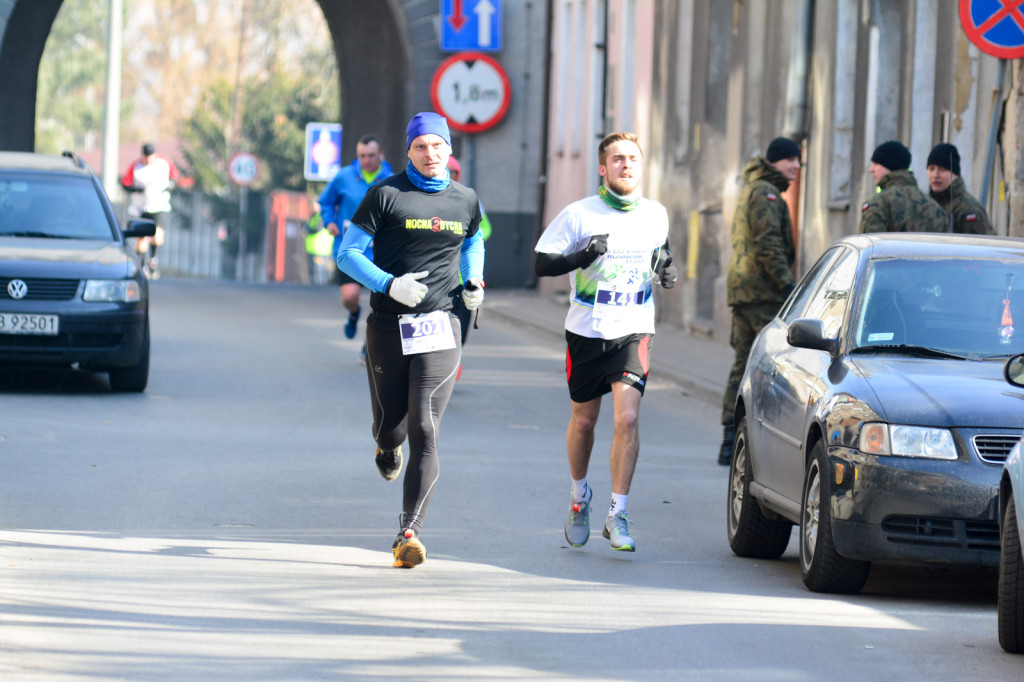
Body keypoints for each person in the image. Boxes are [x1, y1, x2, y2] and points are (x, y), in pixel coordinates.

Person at [337, 112, 484, 569]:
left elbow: (474, 241)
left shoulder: (466, 199)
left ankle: (408, 533)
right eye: (421, 147)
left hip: (442, 323)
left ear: (449, 148)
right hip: (387, 325)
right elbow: (347, 254)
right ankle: (385, 444)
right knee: (392, 426)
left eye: (438, 146)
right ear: (408, 152)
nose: (430, 154)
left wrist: (473, 279)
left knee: (425, 425)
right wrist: (388, 284)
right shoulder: (385, 195)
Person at [534, 132, 676, 553]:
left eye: (632, 158)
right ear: (603, 167)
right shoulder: (579, 215)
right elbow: (541, 263)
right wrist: (581, 256)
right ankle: (580, 497)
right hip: (587, 329)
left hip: (633, 327)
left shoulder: (655, 214)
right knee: (584, 422)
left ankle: (618, 513)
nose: (626, 165)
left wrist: (666, 271)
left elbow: (661, 256)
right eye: (617, 159)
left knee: (627, 419)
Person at [718, 137, 800, 466]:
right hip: (761, 293)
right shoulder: (766, 193)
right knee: (768, 369)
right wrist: (788, 287)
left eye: (798, 161)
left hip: (746, 290)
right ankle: (753, 441)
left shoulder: (756, 188)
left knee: (743, 363)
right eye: (790, 160)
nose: (795, 165)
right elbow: (769, 245)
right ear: (774, 161)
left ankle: (729, 439)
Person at [318, 135, 394, 345]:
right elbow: (325, 203)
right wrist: (329, 222)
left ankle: (368, 346)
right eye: (362, 156)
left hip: (380, 251)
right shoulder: (344, 177)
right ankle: (353, 313)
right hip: (350, 248)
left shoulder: (392, 181)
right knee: (349, 297)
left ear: (381, 156)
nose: (366, 160)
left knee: (379, 304)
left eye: (371, 155)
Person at [446, 155, 492, 348]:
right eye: (447, 170)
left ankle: (453, 362)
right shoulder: (426, 197)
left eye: (454, 171)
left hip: (463, 278)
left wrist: (465, 239)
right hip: (439, 278)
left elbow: (485, 229)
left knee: (460, 335)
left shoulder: (468, 198)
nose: (450, 174)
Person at [859, 140, 948, 234]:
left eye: (876, 164)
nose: (871, 169)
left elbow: (871, 245)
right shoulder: (935, 207)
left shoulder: (878, 204)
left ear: (889, 165)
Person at [121, 142, 179, 279]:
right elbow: (124, 184)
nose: (148, 160)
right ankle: (141, 264)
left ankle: (153, 260)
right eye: (145, 157)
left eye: (150, 157)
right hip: (140, 207)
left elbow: (174, 177)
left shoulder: (164, 164)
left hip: (158, 205)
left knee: (157, 234)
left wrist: (171, 186)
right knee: (141, 238)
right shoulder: (135, 167)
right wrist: (137, 190)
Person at [927, 142, 995, 235]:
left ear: (955, 174)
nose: (935, 175)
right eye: (931, 169)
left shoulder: (969, 210)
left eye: (942, 169)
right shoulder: (926, 205)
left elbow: (980, 246)